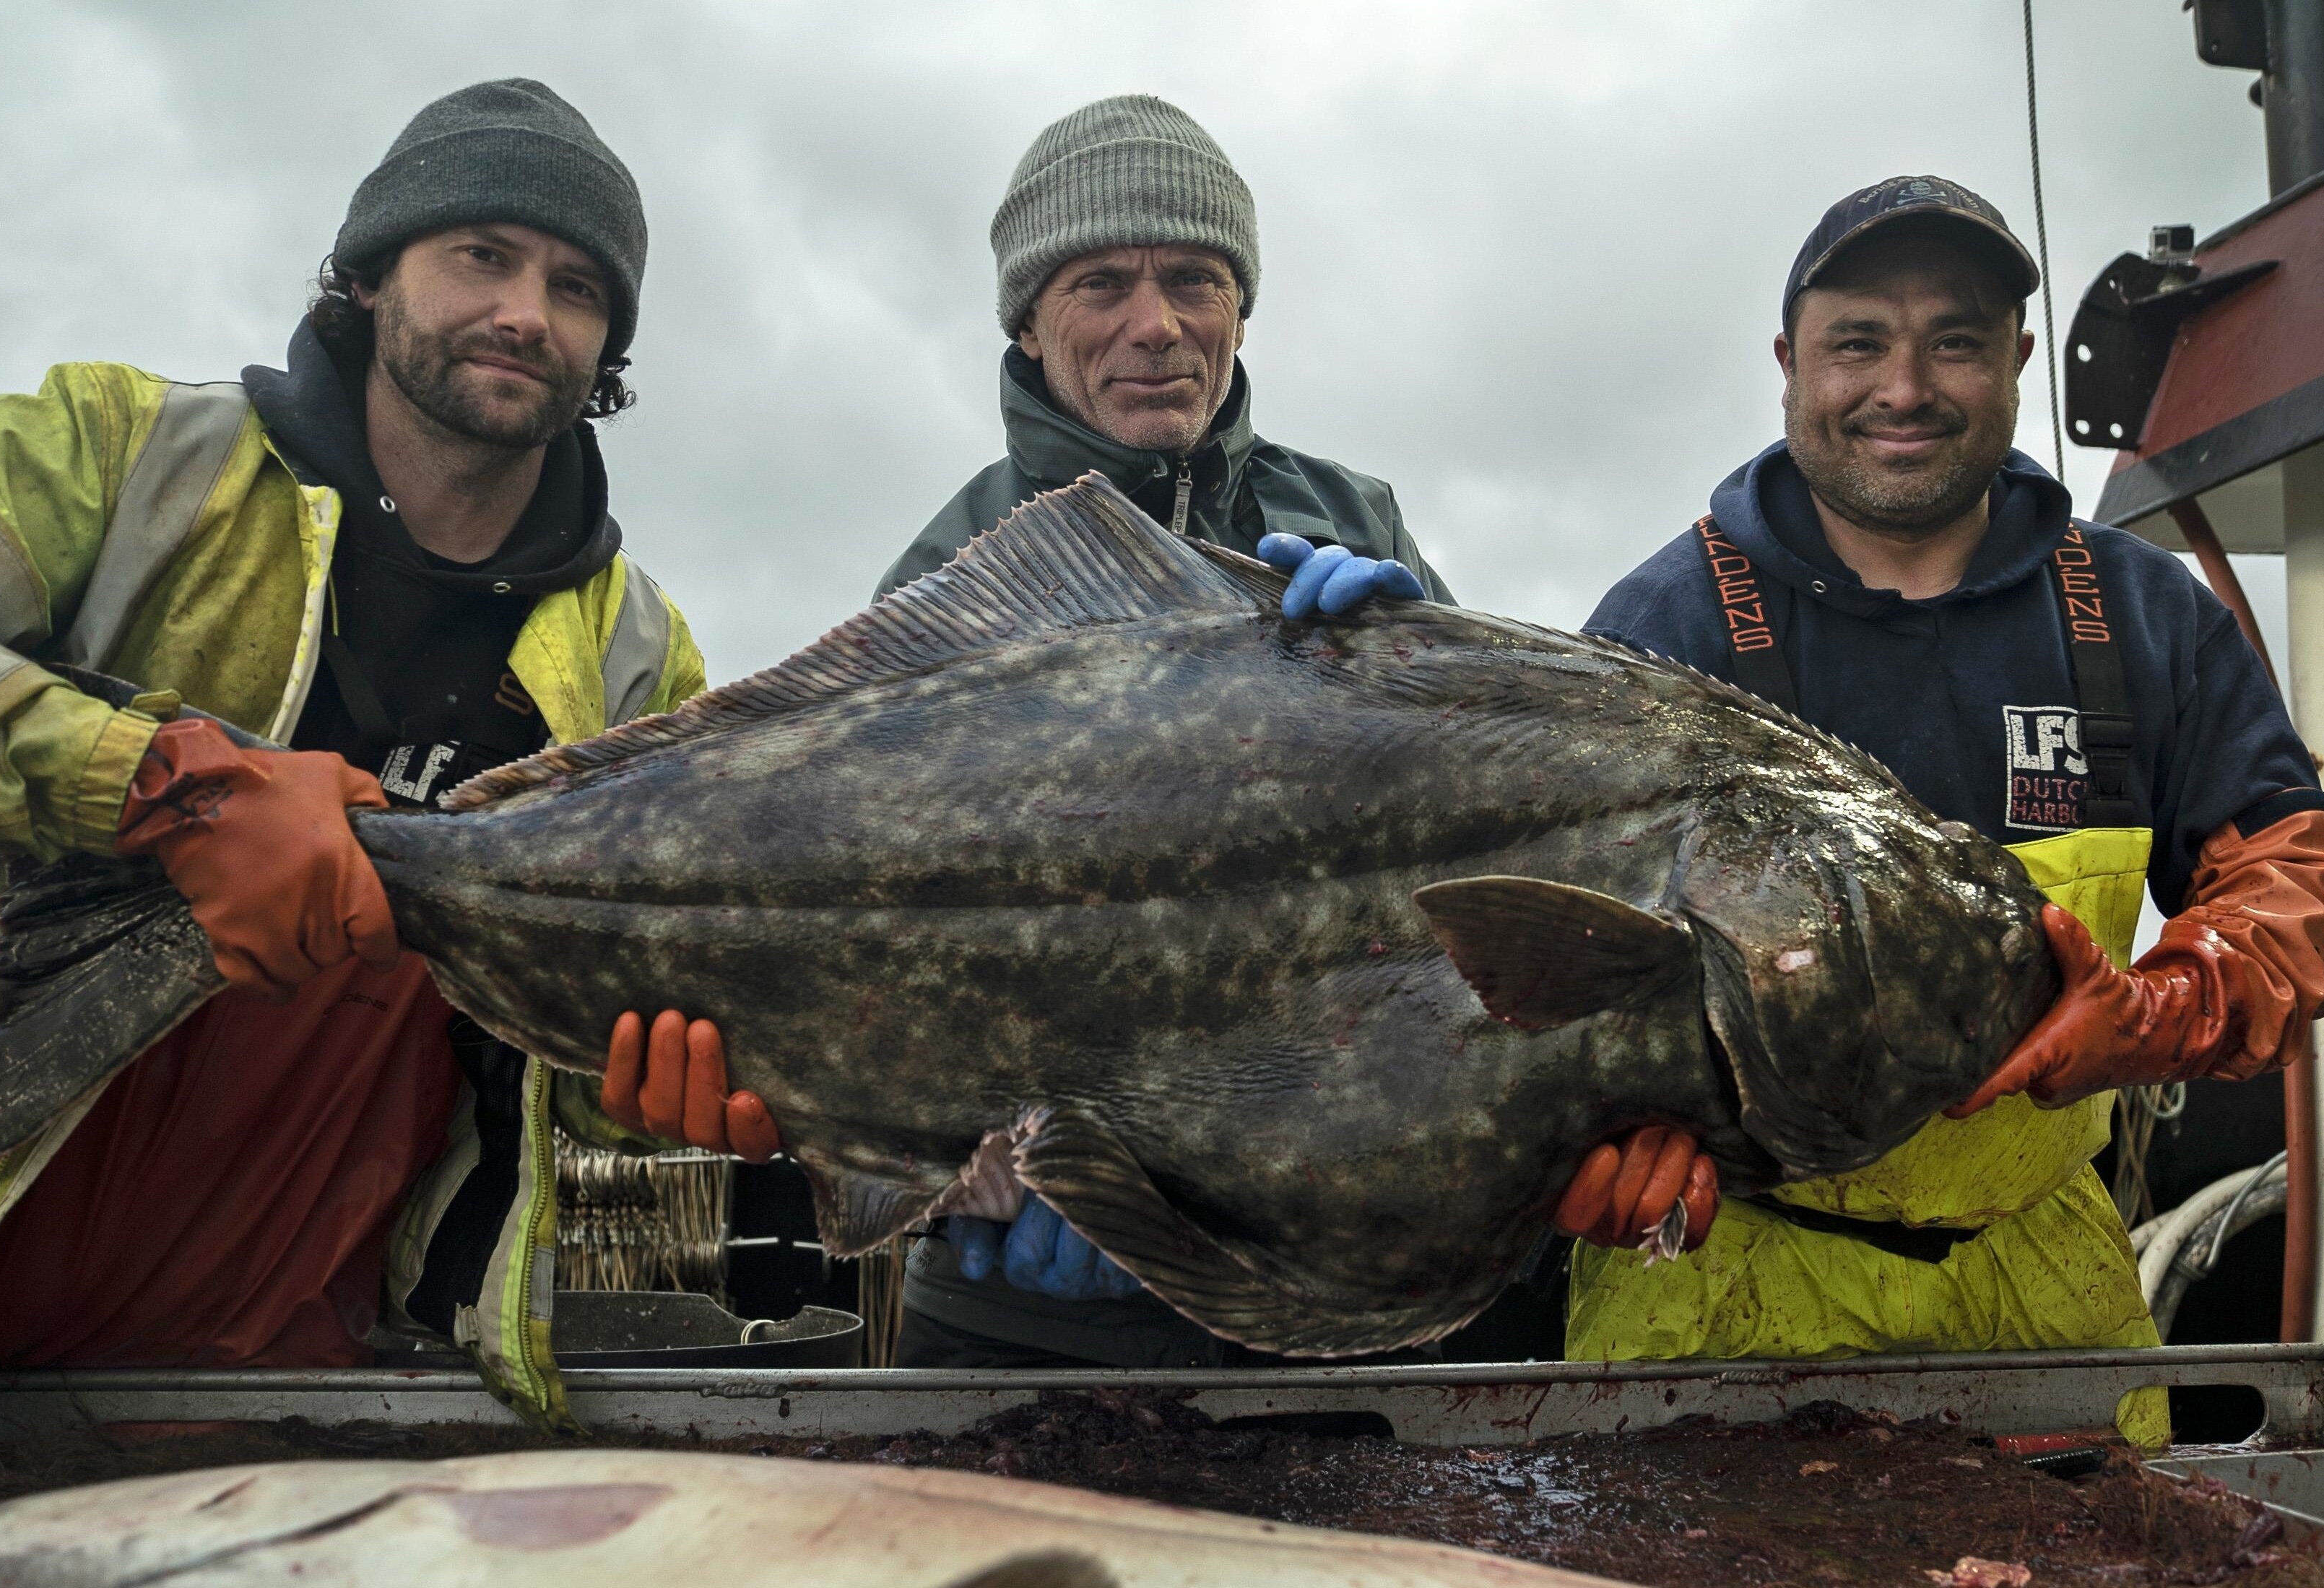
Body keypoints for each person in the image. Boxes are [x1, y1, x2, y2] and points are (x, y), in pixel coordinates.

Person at [605, 96, 1696, 1370]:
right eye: (1101, 283)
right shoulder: (951, 571)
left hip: (1309, 1275)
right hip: (1015, 1320)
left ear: (1242, 309)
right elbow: (887, 927)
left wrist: (1432, 675)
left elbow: (1455, 910)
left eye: (1194, 279)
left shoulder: (1358, 524)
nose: (1155, 326)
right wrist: (991, 1164)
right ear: (1027, 317)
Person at [0, 79, 706, 1437]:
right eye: (482, 255)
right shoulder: (126, 459)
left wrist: (651, 1094)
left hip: (283, 1361)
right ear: (366, 277)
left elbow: (577, 1052)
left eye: (580, 287)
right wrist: (160, 787)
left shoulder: (642, 661)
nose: (528, 310)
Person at [1566, 176, 2324, 1445]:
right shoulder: (1657, 634)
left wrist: (2165, 1004)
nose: (1904, 387)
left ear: (2013, 359)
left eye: (1953, 339)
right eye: (1857, 343)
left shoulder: (2139, 616)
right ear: (1787, 364)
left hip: (2042, 1283)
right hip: (1714, 1287)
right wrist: (1601, 1149)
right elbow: (1553, 975)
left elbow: (2305, 876)